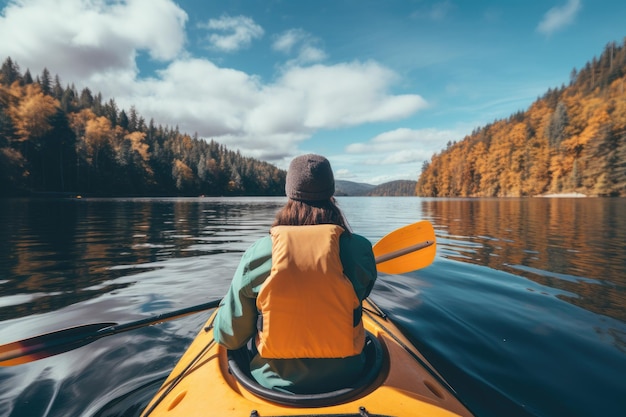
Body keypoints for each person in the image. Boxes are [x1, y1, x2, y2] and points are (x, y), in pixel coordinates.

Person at [214, 154, 377, 394]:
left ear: (289, 193)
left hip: (271, 383)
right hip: (352, 378)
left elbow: (229, 337)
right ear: (331, 193)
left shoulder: (258, 252)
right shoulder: (361, 249)